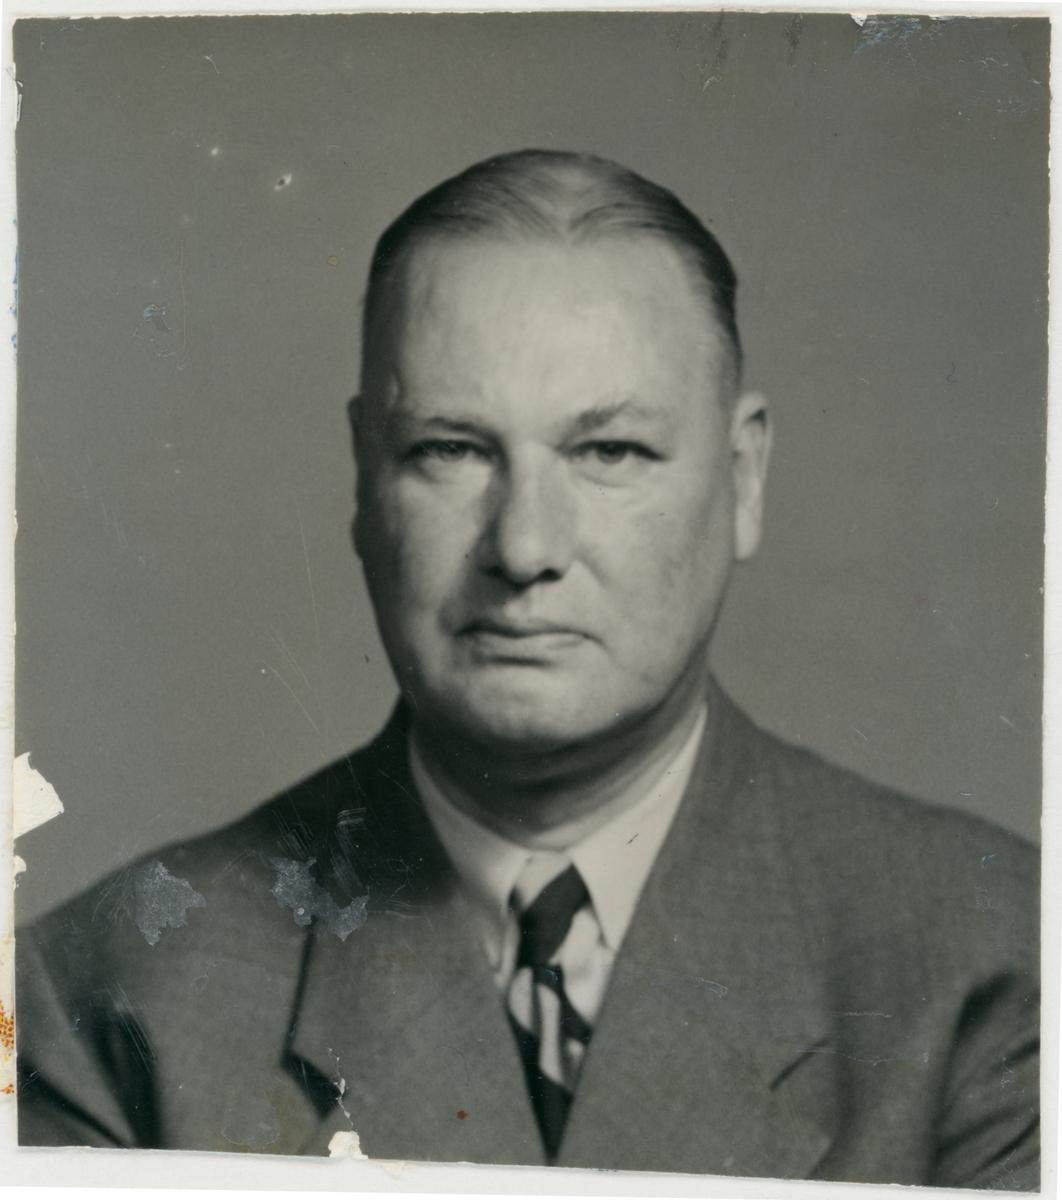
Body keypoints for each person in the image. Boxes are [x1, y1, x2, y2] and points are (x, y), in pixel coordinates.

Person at [15, 151, 1039, 1188]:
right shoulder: (106, 997)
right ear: (364, 479)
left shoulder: (1002, 962)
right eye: (450, 450)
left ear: (742, 480)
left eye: (610, 453)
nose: (524, 547)